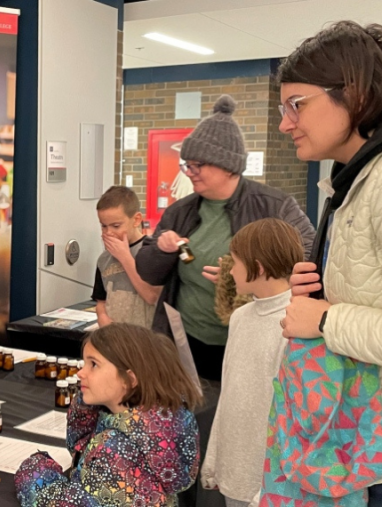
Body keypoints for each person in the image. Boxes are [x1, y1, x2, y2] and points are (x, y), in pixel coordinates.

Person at [269, 21, 382, 505]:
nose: (285, 124)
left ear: (352, 94)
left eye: (298, 105)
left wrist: (326, 318)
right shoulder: (350, 181)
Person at [135, 94, 315, 381]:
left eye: (197, 165)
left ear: (229, 166)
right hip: (186, 340)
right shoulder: (181, 211)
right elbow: (148, 272)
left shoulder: (275, 206)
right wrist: (161, 247)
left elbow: (308, 261)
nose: (189, 172)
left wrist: (246, 278)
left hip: (252, 340)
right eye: (187, 165)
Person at [14, 323, 201, 506]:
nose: (81, 372)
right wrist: (86, 406)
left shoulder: (115, 451)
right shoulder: (158, 422)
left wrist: (35, 469)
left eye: (93, 364)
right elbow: (80, 449)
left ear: (129, 379)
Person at [201, 219, 303, 507]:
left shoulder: (295, 322)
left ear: (257, 267)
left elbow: (291, 417)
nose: (230, 271)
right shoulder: (240, 317)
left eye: (235, 262)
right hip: (234, 473)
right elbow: (229, 396)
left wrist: (270, 487)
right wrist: (214, 462)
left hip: (269, 487)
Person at [92, 186, 160, 328]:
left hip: (147, 338)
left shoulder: (153, 252)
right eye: (104, 226)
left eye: (116, 226)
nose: (108, 232)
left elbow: (152, 296)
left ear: (136, 220)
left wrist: (124, 257)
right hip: (116, 338)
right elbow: (101, 301)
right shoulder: (103, 259)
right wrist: (102, 317)